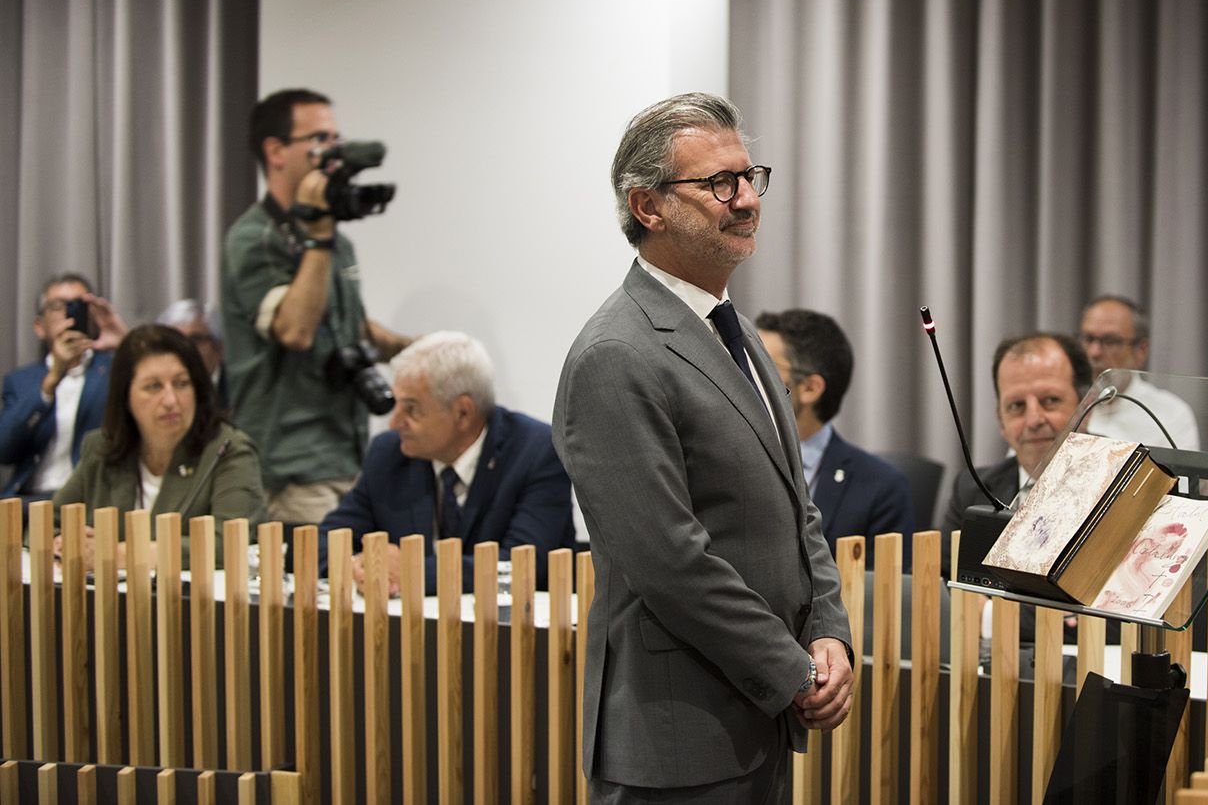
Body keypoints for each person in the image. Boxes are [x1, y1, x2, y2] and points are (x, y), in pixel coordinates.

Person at [554, 93, 852, 801]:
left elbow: (796, 509)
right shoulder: (614, 355)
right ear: (647, 205)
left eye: (751, 178)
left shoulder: (737, 329)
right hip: (676, 736)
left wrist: (829, 633)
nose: (747, 199)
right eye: (720, 183)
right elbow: (671, 561)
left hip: (759, 717)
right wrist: (791, 670)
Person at [221, 88, 411, 526]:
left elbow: (355, 330)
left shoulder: (334, 241)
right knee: (318, 589)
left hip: (348, 454)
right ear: (276, 151)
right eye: (319, 139)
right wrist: (318, 237)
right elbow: (296, 331)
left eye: (336, 139)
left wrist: (427, 350)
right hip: (293, 466)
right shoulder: (254, 239)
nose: (333, 153)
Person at [319, 331, 575, 594]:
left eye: (411, 409)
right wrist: (358, 565)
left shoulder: (536, 452)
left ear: (463, 412)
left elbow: (523, 566)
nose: (394, 423)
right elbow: (325, 541)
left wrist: (410, 572)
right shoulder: (389, 452)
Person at [51, 324, 267, 567]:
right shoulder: (102, 448)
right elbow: (48, 523)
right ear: (125, 396)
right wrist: (65, 542)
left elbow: (229, 544)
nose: (170, 400)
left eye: (181, 383)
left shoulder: (228, 450)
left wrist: (117, 555)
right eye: (153, 386)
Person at [754, 308, 913, 565]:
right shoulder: (720, 459)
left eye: (761, 366)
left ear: (809, 388)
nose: (744, 377)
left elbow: (882, 596)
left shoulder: (882, 490)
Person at [940, 332, 1092, 530]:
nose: (1033, 420)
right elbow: (944, 562)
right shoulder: (973, 489)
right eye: (1017, 405)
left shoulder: (1126, 482)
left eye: (1050, 400)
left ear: (1086, 408)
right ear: (1001, 421)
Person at [0, 273, 127, 499]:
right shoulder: (20, 381)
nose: (68, 313)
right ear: (39, 326)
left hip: (92, 502)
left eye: (78, 304)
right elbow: (4, 449)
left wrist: (126, 344)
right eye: (58, 306)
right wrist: (50, 382)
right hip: (30, 500)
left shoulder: (115, 370)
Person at [1077, 294, 1201, 453]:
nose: (1094, 352)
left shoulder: (1171, 414)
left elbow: (1182, 478)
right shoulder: (1061, 407)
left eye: (1110, 341)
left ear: (1141, 351)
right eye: (1088, 339)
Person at [156, 298, 227, 402]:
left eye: (195, 340)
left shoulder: (240, 387)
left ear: (219, 348)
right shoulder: (156, 390)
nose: (184, 348)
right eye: (174, 342)